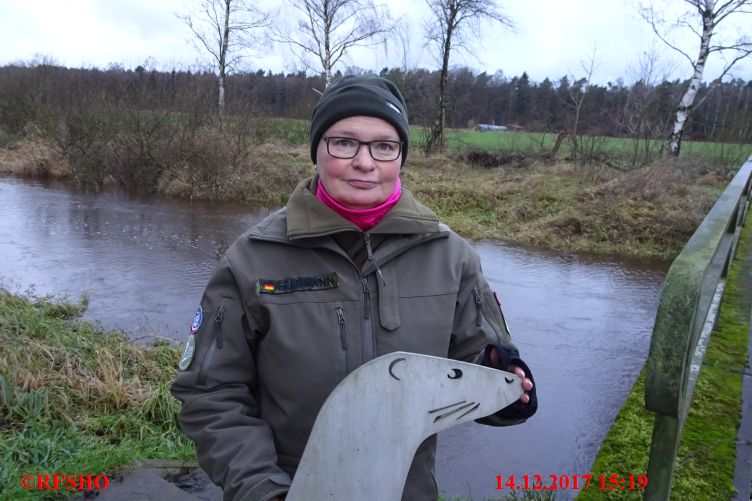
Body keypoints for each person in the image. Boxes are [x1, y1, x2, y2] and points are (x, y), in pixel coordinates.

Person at [171, 75, 538, 501]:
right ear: (317, 149)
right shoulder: (252, 259)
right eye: (344, 143)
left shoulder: (452, 257)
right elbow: (210, 393)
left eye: (384, 146)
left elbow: (477, 372)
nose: (365, 162)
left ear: (401, 155)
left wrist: (503, 383)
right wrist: (261, 488)